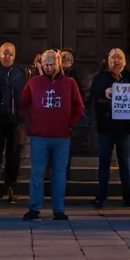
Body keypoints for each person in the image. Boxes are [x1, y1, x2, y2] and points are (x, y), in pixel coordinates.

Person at [20, 49, 84, 222]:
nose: (49, 67)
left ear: (58, 64)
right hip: (39, 136)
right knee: (37, 173)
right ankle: (34, 208)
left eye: (52, 64)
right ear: (41, 65)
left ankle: (59, 209)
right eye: (46, 64)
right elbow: (23, 104)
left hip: (62, 136)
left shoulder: (70, 83)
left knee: (59, 173)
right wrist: (31, 122)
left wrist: (70, 124)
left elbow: (79, 106)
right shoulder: (34, 82)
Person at [88, 48, 130, 210]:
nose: (117, 61)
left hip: (125, 128)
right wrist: (105, 91)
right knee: (104, 163)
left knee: (125, 163)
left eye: (120, 58)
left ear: (125, 61)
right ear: (108, 61)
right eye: (113, 58)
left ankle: (128, 196)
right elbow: (93, 96)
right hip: (105, 128)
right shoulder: (100, 78)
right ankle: (101, 196)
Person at [0, 43, 26, 204]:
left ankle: (11, 188)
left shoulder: (20, 72)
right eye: (5, 53)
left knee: (13, 156)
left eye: (11, 54)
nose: (7, 56)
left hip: (14, 120)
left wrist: (22, 121)